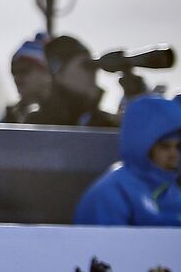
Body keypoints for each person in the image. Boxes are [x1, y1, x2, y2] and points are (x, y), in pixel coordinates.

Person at [74, 96, 181, 226]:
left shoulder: (170, 191)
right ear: (142, 145)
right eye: (165, 146)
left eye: (178, 147)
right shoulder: (112, 192)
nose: (174, 154)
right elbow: (103, 244)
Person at [26, 35, 119, 128]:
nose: (93, 71)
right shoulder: (39, 123)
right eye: (85, 66)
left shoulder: (104, 122)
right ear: (59, 75)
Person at [1, 32, 52, 124]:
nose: (17, 77)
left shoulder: (64, 114)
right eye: (14, 71)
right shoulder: (10, 117)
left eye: (24, 70)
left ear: (46, 72)